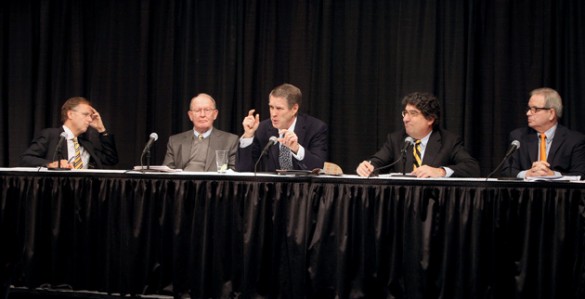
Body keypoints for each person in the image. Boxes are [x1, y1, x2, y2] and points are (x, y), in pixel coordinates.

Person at [356, 92, 480, 178]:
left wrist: (440, 171)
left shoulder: (449, 141)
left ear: (430, 119)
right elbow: (377, 162)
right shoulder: (395, 139)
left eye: (413, 113)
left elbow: (472, 168)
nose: (405, 119)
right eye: (405, 113)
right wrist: (368, 166)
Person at [236, 83, 328, 172]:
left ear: (294, 109)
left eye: (279, 108)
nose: (273, 114)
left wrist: (296, 149)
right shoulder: (262, 128)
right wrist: (248, 135)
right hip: (271, 187)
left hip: (303, 187)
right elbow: (243, 169)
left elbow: (318, 167)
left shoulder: (315, 128)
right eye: (271, 107)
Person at [502, 87, 585, 178]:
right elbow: (507, 170)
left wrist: (553, 175)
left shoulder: (574, 140)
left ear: (551, 113)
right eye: (529, 108)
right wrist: (527, 174)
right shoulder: (518, 136)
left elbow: (580, 174)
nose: (528, 113)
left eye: (535, 109)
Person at [19, 97, 118, 168]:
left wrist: (102, 130)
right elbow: (26, 159)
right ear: (70, 114)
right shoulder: (51, 135)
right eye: (86, 115)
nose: (90, 120)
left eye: (91, 116)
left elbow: (111, 159)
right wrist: (50, 164)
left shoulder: (86, 144)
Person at [163, 93, 239, 171]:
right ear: (190, 115)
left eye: (207, 110)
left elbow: (234, 172)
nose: (202, 115)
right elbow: (166, 174)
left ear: (215, 114)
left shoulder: (230, 141)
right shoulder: (175, 141)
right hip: (183, 182)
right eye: (197, 110)